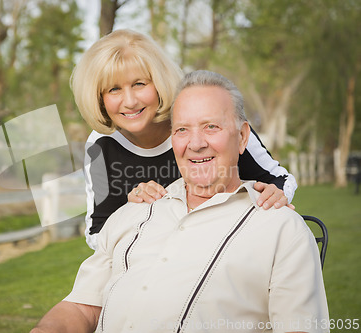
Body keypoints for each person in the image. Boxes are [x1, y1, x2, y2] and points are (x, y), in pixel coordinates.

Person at [31, 70, 328, 333]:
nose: (195, 143)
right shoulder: (135, 211)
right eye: (182, 129)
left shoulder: (280, 228)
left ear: (241, 138)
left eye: (211, 127)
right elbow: (83, 308)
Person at [71, 29, 298, 250]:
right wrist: (131, 210)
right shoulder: (100, 146)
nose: (129, 101)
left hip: (226, 243)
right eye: (114, 89)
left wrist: (273, 196)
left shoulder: (202, 120)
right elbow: (97, 234)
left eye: (139, 84)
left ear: (158, 82)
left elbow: (280, 179)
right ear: (99, 98)